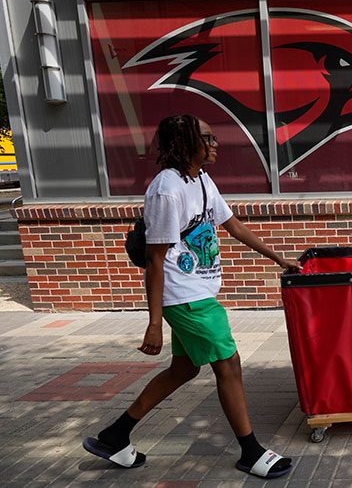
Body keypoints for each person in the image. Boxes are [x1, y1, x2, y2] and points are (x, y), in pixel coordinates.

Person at [83, 114, 299, 479]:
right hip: (184, 295)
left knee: (184, 368)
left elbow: (231, 223)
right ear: (184, 142)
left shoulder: (200, 178)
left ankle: (114, 436)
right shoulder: (167, 189)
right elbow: (154, 259)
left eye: (214, 138)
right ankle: (250, 451)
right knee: (228, 364)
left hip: (196, 289)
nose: (216, 144)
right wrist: (153, 324)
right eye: (208, 138)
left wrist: (276, 256)